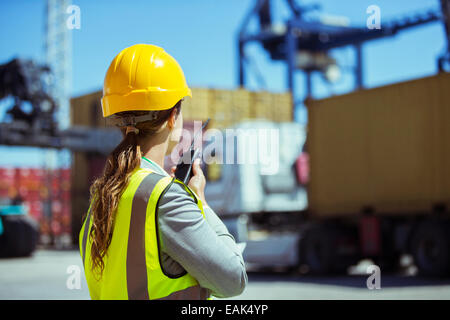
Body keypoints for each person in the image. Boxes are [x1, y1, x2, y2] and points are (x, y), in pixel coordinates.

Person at [79, 44, 247, 300]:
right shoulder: (165, 198)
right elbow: (233, 280)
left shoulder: (100, 199)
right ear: (172, 117)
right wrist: (199, 202)